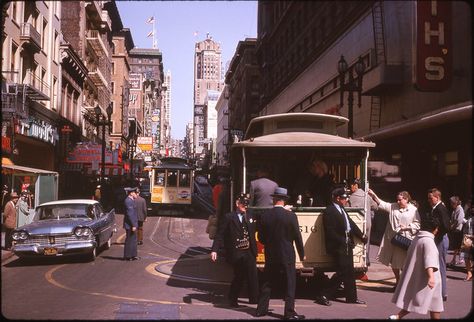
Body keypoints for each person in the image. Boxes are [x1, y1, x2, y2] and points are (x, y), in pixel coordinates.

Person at [256, 187, 306, 320]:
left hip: (271, 252)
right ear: (284, 201)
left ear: (274, 199)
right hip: (287, 253)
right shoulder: (290, 216)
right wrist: (302, 253)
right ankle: (289, 312)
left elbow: (261, 238)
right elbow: (297, 236)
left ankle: (261, 309)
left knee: (267, 281)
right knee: (290, 282)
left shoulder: (265, 215)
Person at [315, 187, 367, 307]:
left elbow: (350, 224)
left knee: (349, 272)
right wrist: (342, 241)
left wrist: (361, 235)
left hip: (347, 244)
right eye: (344, 198)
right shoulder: (329, 211)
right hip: (338, 246)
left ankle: (352, 298)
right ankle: (323, 295)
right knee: (343, 272)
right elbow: (330, 231)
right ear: (337, 198)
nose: (346, 200)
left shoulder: (341, 208)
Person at [389, 217, 443, 320]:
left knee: (433, 304)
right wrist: (431, 277)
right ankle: (397, 317)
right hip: (430, 279)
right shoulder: (429, 242)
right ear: (435, 229)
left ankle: (397, 317)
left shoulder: (418, 238)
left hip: (420, 275)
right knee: (427, 302)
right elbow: (429, 260)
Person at [211, 192, 258, 307]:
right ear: (237, 203)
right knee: (239, 276)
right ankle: (233, 298)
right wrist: (214, 250)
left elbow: (265, 220)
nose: (245, 206)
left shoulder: (251, 215)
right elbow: (220, 234)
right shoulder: (229, 217)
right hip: (237, 251)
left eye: (247, 204)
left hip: (249, 251)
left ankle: (254, 299)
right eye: (243, 203)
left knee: (253, 275)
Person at [367, 189, 420, 288]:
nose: (398, 202)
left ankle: (406, 283)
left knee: (406, 263)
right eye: (397, 200)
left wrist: (407, 227)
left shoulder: (413, 210)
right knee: (395, 263)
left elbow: (417, 224)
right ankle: (398, 281)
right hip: (394, 240)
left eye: (400, 200)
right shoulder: (393, 206)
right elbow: (380, 202)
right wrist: (373, 194)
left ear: (406, 199)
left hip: (405, 240)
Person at [426, 188, 450, 302]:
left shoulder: (441, 208)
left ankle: (442, 293)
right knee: (437, 265)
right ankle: (439, 291)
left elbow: (446, 226)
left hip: (440, 239)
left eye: (431, 198)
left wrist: (436, 234)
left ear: (437, 197)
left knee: (441, 266)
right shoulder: (435, 208)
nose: (429, 200)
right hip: (438, 239)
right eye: (428, 198)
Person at [348, 178, 378, 267]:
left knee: (357, 242)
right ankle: (366, 259)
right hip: (368, 222)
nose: (350, 188)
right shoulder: (367, 196)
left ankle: (358, 261)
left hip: (357, 223)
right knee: (366, 242)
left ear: (355, 185)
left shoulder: (351, 197)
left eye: (351, 186)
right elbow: (376, 207)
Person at [448, 196, 465, 266]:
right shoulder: (455, 209)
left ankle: (459, 259)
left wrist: (452, 226)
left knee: (458, 245)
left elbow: (459, 220)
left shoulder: (459, 209)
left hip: (458, 229)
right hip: (455, 229)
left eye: (452, 203)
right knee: (456, 245)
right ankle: (456, 259)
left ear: (455, 202)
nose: (451, 204)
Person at [123, 187, 139, 261]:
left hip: (132, 224)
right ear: (131, 193)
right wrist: (133, 225)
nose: (137, 195)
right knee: (129, 240)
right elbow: (130, 214)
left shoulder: (131, 200)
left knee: (133, 240)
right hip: (130, 225)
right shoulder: (128, 201)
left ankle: (133, 255)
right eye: (135, 193)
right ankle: (128, 256)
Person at [461, 211, 474, 281]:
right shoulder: (469, 216)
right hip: (467, 240)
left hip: (470, 237)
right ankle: (469, 274)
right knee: (466, 257)